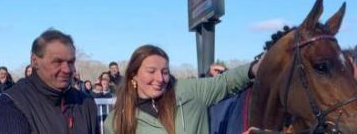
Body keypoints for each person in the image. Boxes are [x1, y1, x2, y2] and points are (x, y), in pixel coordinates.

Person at [104, 44, 259, 134]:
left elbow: (225, 82)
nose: (159, 78)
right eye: (151, 71)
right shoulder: (116, 122)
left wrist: (257, 67)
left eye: (164, 72)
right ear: (134, 75)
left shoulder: (187, 91)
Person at [0, 28, 99, 134]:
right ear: (35, 61)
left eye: (71, 62)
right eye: (57, 62)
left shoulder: (86, 103)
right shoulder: (13, 103)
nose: (67, 70)